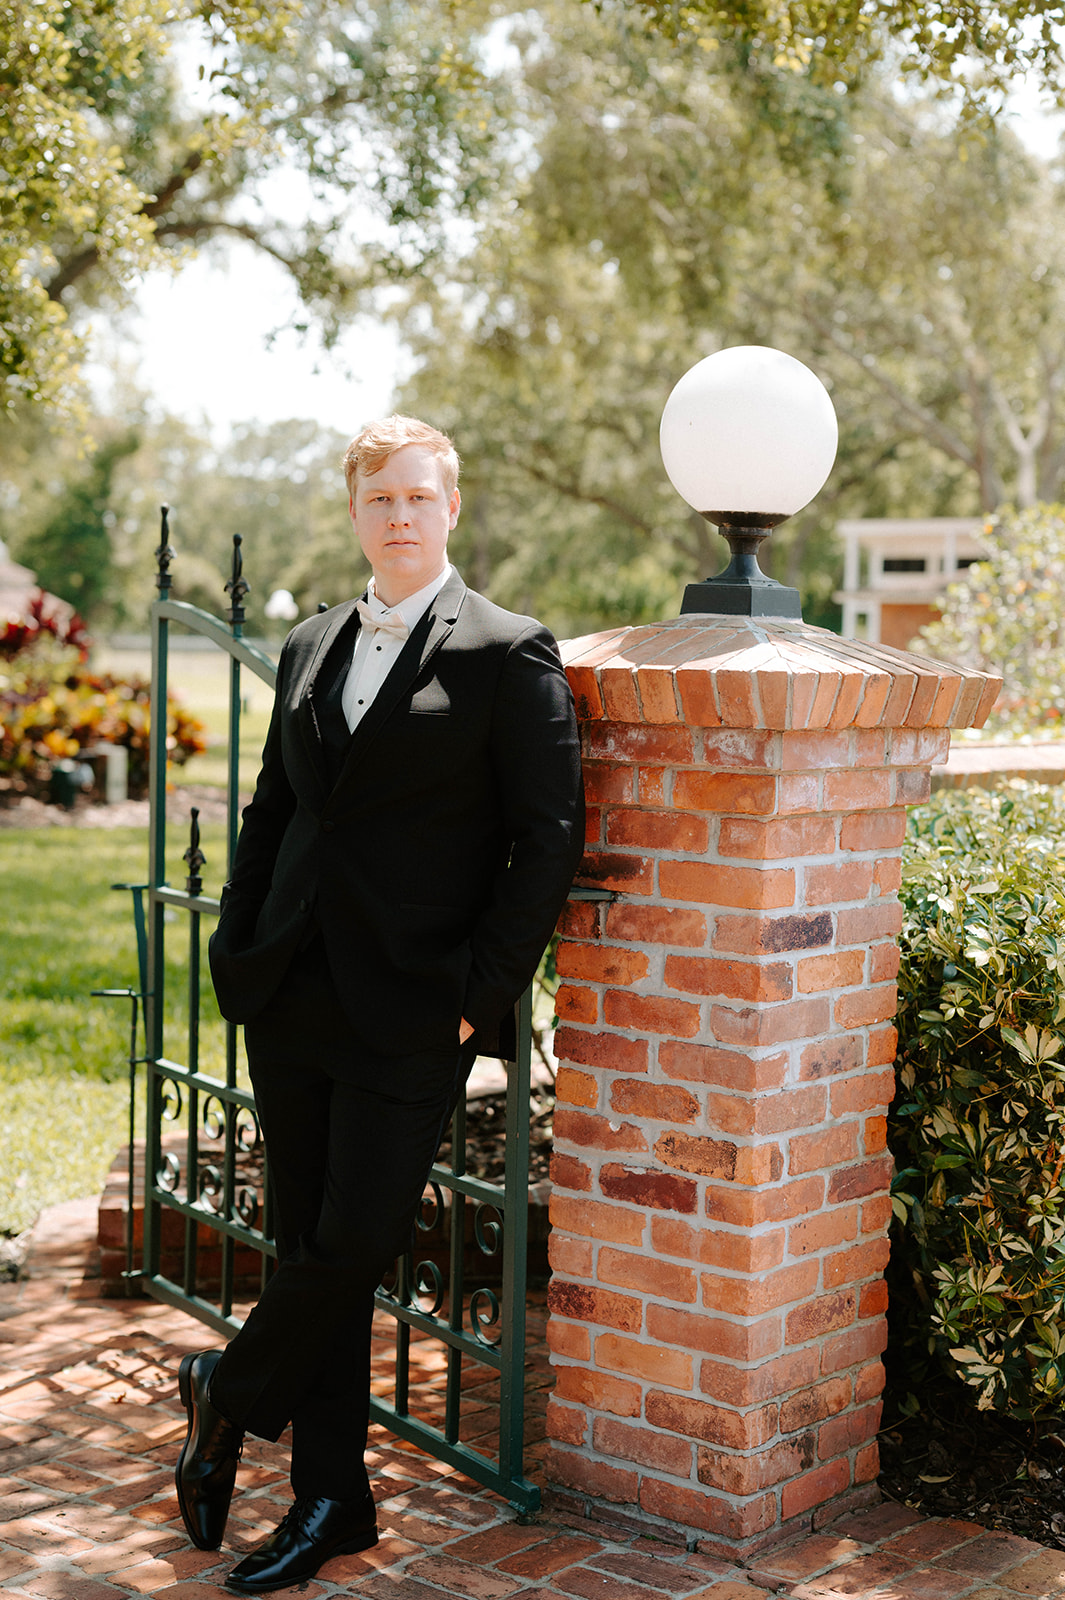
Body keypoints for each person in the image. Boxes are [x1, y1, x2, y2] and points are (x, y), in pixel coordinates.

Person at [173, 414, 585, 1593]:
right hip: (291, 991)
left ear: (453, 507)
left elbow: (546, 840)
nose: (398, 516)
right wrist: (236, 943)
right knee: (318, 1251)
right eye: (377, 499)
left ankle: (226, 1389)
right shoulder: (309, 644)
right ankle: (330, 1500)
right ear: (355, 512)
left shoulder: (509, 653)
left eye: (417, 496)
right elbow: (271, 810)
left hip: (416, 1008)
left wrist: (476, 1000)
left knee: (356, 1237)